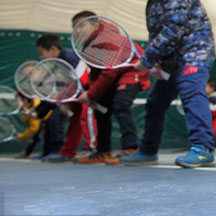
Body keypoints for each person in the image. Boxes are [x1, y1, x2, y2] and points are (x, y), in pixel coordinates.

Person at [120, 0, 216, 168]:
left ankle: (203, 148)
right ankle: (147, 151)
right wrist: (157, 63)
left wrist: (146, 59)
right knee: (155, 102)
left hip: (195, 56)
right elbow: (161, 33)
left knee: (191, 92)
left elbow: (173, 30)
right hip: (173, 62)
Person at [68, 11, 149, 165]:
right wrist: (94, 97)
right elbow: (96, 72)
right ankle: (103, 151)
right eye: (74, 27)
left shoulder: (109, 39)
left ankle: (131, 148)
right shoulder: (88, 46)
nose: (77, 30)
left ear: (95, 24)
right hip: (115, 76)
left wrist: (91, 94)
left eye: (81, 25)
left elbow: (109, 71)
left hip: (132, 71)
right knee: (100, 108)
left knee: (121, 104)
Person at [35, 34, 85, 163]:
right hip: (76, 96)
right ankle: (66, 152)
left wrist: (64, 97)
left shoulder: (69, 58)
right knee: (73, 121)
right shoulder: (60, 61)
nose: (42, 57)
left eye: (42, 52)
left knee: (86, 120)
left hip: (86, 94)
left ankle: (95, 150)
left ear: (52, 49)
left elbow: (79, 81)